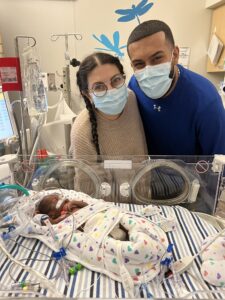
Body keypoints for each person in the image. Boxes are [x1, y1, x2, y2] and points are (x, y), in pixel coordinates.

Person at [127, 20, 225, 156]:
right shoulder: (134, 87)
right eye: (139, 64)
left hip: (192, 174)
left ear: (175, 55)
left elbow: (219, 163)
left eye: (157, 58)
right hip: (149, 171)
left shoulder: (205, 100)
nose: (148, 71)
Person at [70, 52, 147, 158]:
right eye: (98, 87)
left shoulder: (131, 99)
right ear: (88, 94)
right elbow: (86, 175)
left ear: (123, 78)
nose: (111, 90)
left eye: (116, 80)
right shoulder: (82, 131)